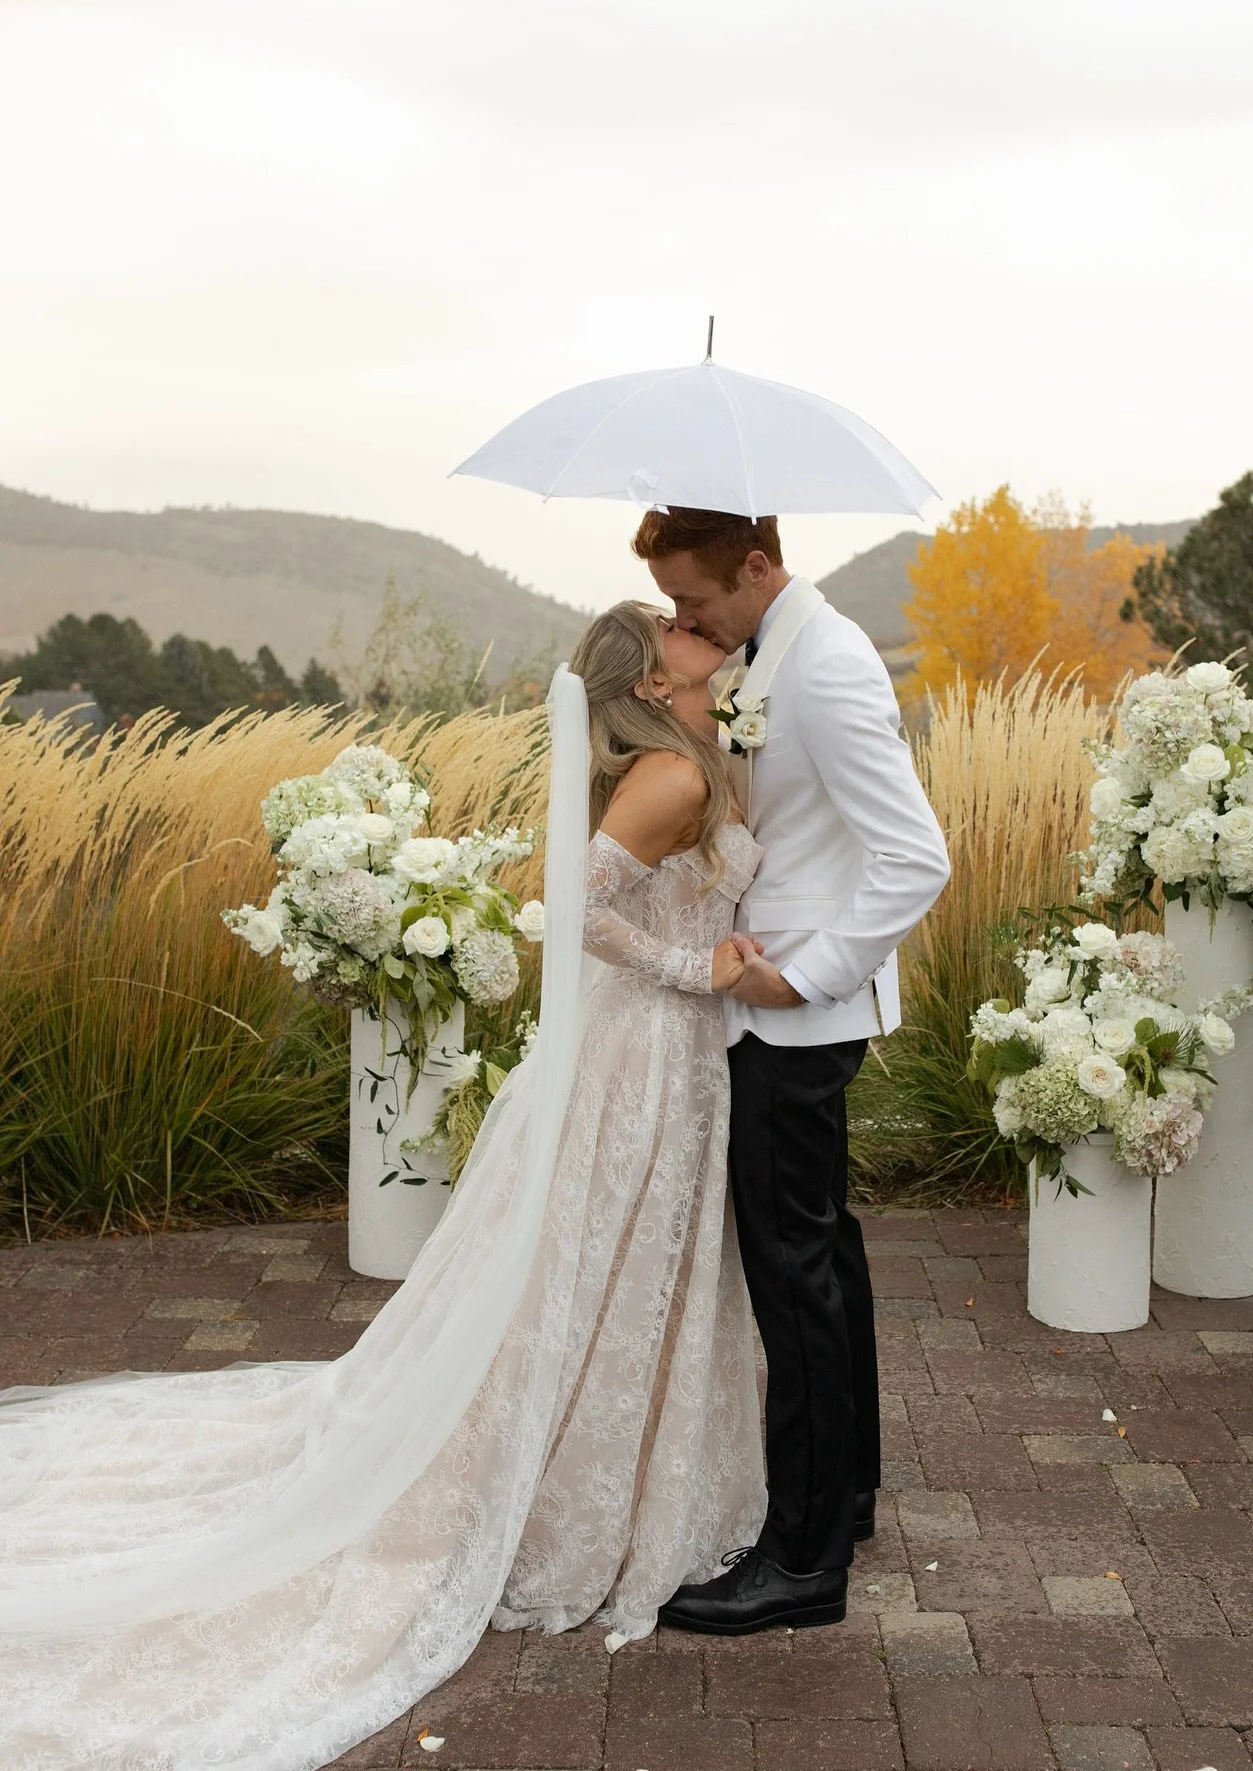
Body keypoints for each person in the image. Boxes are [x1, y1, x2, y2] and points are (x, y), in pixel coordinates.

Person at [0, 602, 768, 1771]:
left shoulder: (706, 756)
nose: (696, 627)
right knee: (595, 1256)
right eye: (676, 627)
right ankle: (546, 1482)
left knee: (621, 1259)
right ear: (655, 682)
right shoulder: (668, 777)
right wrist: (694, 968)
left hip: (674, 1056)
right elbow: (576, 908)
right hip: (643, 1053)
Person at [639, 508, 950, 1636]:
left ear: (759, 567)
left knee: (794, 1272)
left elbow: (917, 854)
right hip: (784, 1007)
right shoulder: (781, 651)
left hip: (794, 1017)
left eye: (696, 601)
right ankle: (846, 1493)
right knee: (825, 1251)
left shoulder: (822, 668)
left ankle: (803, 1560)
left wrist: (810, 975)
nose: (683, 622)